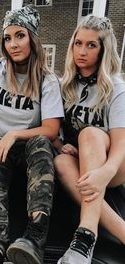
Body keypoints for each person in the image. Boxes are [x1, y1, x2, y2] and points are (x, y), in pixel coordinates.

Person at [0, 5, 64, 264]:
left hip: (26, 145)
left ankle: (35, 237)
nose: (13, 44)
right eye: (7, 37)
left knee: (40, 143)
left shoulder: (47, 81)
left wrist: (13, 134)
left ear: (33, 38)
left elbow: (50, 129)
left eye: (20, 35)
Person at [54, 15, 125, 264]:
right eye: (78, 43)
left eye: (91, 45)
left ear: (103, 50)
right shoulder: (65, 86)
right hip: (85, 165)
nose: (81, 51)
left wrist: (106, 171)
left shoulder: (116, 88)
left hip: (116, 163)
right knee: (61, 162)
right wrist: (65, 146)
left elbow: (121, 143)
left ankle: (85, 238)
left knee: (91, 133)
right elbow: (54, 132)